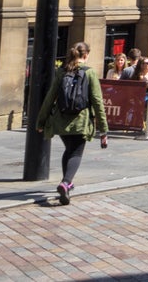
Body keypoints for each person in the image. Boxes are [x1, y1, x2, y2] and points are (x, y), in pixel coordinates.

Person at [35, 41, 108, 205]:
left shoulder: (62, 71)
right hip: (80, 121)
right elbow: (97, 101)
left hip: (61, 121)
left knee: (69, 150)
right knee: (76, 153)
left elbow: (49, 98)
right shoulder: (89, 73)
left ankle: (66, 183)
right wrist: (103, 130)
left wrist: (41, 121)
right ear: (86, 55)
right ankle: (66, 182)